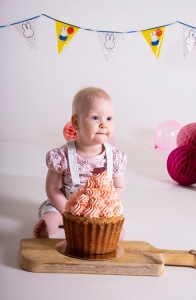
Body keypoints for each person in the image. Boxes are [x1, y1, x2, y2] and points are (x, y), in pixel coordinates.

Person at [33, 87, 127, 238]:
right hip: (65, 206)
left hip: (100, 209)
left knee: (115, 228)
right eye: (95, 117)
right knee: (52, 216)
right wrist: (68, 211)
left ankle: (113, 239)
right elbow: (53, 188)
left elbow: (119, 186)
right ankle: (47, 228)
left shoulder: (115, 157)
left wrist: (105, 207)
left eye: (109, 118)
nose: (104, 124)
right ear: (76, 123)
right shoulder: (62, 155)